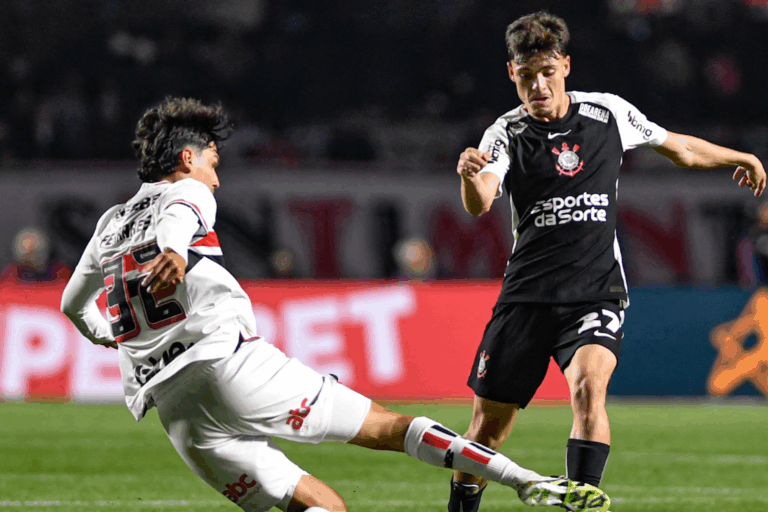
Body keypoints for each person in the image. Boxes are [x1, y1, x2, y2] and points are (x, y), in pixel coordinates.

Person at [60, 97, 611, 512]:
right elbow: (183, 213)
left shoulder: (109, 223)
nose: (217, 176)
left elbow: (72, 305)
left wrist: (109, 334)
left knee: (320, 506)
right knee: (392, 429)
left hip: (175, 409)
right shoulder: (188, 191)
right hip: (229, 365)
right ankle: (527, 481)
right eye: (213, 160)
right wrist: (176, 251)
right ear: (187, 157)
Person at [449, 10, 766, 512]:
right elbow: (481, 200)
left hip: (595, 292)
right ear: (511, 73)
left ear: (565, 66)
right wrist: (470, 177)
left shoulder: (607, 113)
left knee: (588, 389)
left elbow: (679, 147)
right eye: (526, 75)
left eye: (547, 72)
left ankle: (582, 503)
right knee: (487, 429)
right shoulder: (505, 133)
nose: (538, 86)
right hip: (527, 297)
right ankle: (461, 506)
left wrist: (739, 157)